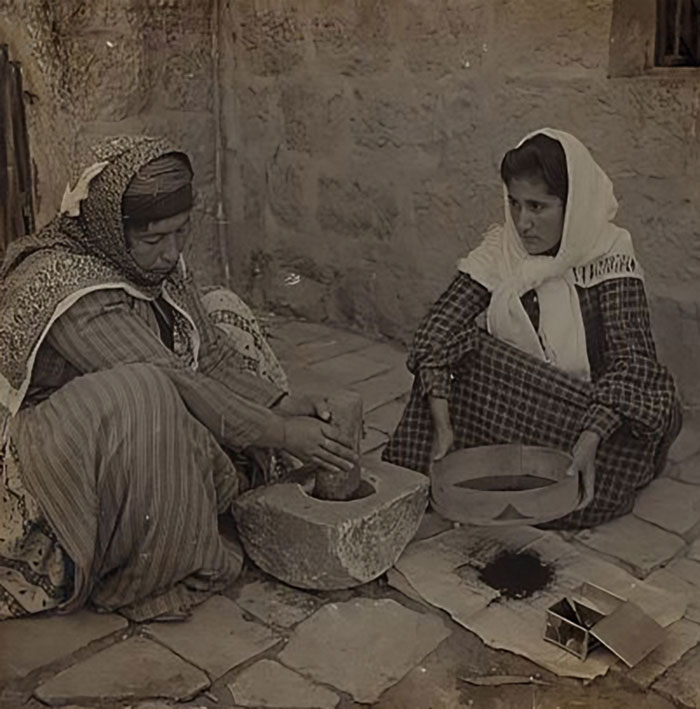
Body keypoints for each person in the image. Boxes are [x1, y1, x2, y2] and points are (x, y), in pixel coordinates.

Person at [0, 135, 357, 621]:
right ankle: (148, 567)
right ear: (111, 229)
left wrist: (280, 403)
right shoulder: (65, 285)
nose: (171, 253)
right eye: (154, 240)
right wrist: (281, 434)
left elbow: (208, 356)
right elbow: (173, 375)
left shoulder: (151, 263)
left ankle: (198, 499)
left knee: (222, 308)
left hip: (129, 425)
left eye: (181, 233)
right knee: (146, 390)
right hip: (51, 446)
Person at [383, 128, 681, 529]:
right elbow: (437, 330)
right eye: (514, 204)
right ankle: (492, 463)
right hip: (513, 408)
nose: (523, 223)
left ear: (572, 205)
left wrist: (591, 436)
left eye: (539, 207)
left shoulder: (607, 254)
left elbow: (633, 364)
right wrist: (442, 420)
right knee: (460, 357)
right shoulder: (501, 249)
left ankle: (544, 471)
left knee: (625, 438)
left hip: (584, 416)